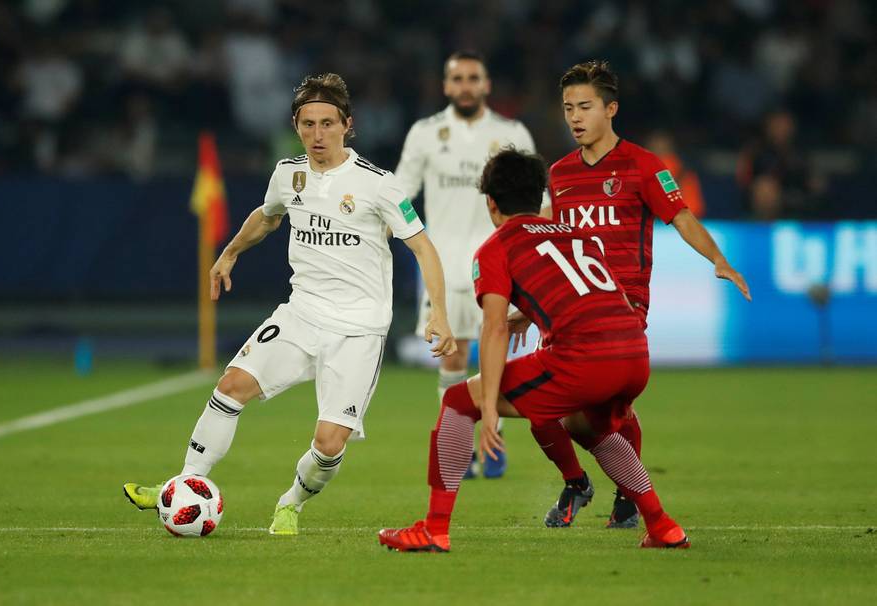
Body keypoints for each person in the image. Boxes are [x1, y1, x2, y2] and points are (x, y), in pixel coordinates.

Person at [123, 73, 456, 535]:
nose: (318, 134)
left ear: (347, 125)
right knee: (231, 385)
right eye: (308, 124)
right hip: (301, 314)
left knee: (329, 443)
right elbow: (268, 216)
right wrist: (230, 252)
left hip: (358, 331)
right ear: (296, 126)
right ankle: (185, 483)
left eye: (327, 123)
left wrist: (438, 311)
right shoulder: (288, 173)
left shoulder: (379, 185)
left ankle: (291, 502)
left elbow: (423, 246)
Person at [378, 148, 689, 552]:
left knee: (457, 400)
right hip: (634, 352)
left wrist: (487, 406)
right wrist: (527, 316)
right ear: (538, 195)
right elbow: (589, 292)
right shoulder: (577, 235)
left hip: (584, 358)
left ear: (491, 203)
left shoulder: (496, 248)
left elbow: (492, 328)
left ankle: (434, 528)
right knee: (589, 425)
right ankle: (663, 526)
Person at [529, 60, 750, 530]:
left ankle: (597, 488)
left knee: (577, 409)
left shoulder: (644, 166)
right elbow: (557, 244)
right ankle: (610, 491)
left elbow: (683, 218)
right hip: (571, 309)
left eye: (584, 106)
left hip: (623, 309)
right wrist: (528, 305)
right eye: (568, 108)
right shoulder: (561, 174)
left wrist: (718, 259)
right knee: (580, 413)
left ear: (610, 109)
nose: (574, 117)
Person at [395, 50, 542, 479]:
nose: (465, 85)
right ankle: (458, 449)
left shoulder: (512, 132)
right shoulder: (426, 133)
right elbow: (400, 195)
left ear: (486, 84)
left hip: (502, 262)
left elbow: (540, 200)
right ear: (446, 86)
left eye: (472, 77)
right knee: (452, 356)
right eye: (456, 78)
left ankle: (493, 442)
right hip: (444, 265)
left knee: (497, 354)